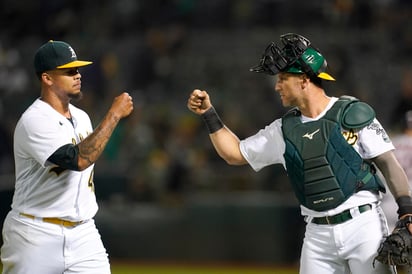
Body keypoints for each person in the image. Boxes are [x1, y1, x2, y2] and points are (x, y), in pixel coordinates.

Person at [187, 33, 412, 274]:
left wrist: (407, 211)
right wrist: (209, 114)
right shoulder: (283, 130)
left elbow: (388, 163)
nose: (277, 86)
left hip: (363, 225)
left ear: (304, 80)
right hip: (317, 234)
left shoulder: (351, 113)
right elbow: (234, 154)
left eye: (283, 78)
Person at [0, 40, 133, 274]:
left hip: (83, 233)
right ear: (47, 78)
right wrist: (114, 114)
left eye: (78, 69)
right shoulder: (35, 119)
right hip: (35, 233)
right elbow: (78, 160)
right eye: (69, 71)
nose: (77, 75)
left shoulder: (82, 117)